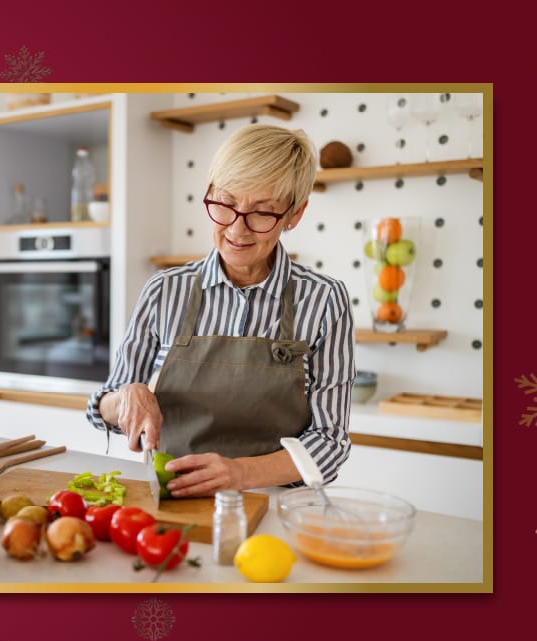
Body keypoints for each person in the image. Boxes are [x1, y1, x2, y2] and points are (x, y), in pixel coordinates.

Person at [86, 124, 355, 497]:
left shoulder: (325, 301)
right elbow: (102, 407)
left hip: (278, 504)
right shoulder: (165, 290)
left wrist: (240, 474)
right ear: (209, 195)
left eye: (262, 213)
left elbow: (330, 442)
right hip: (173, 498)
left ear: (294, 215)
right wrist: (126, 398)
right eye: (225, 204)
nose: (237, 230)